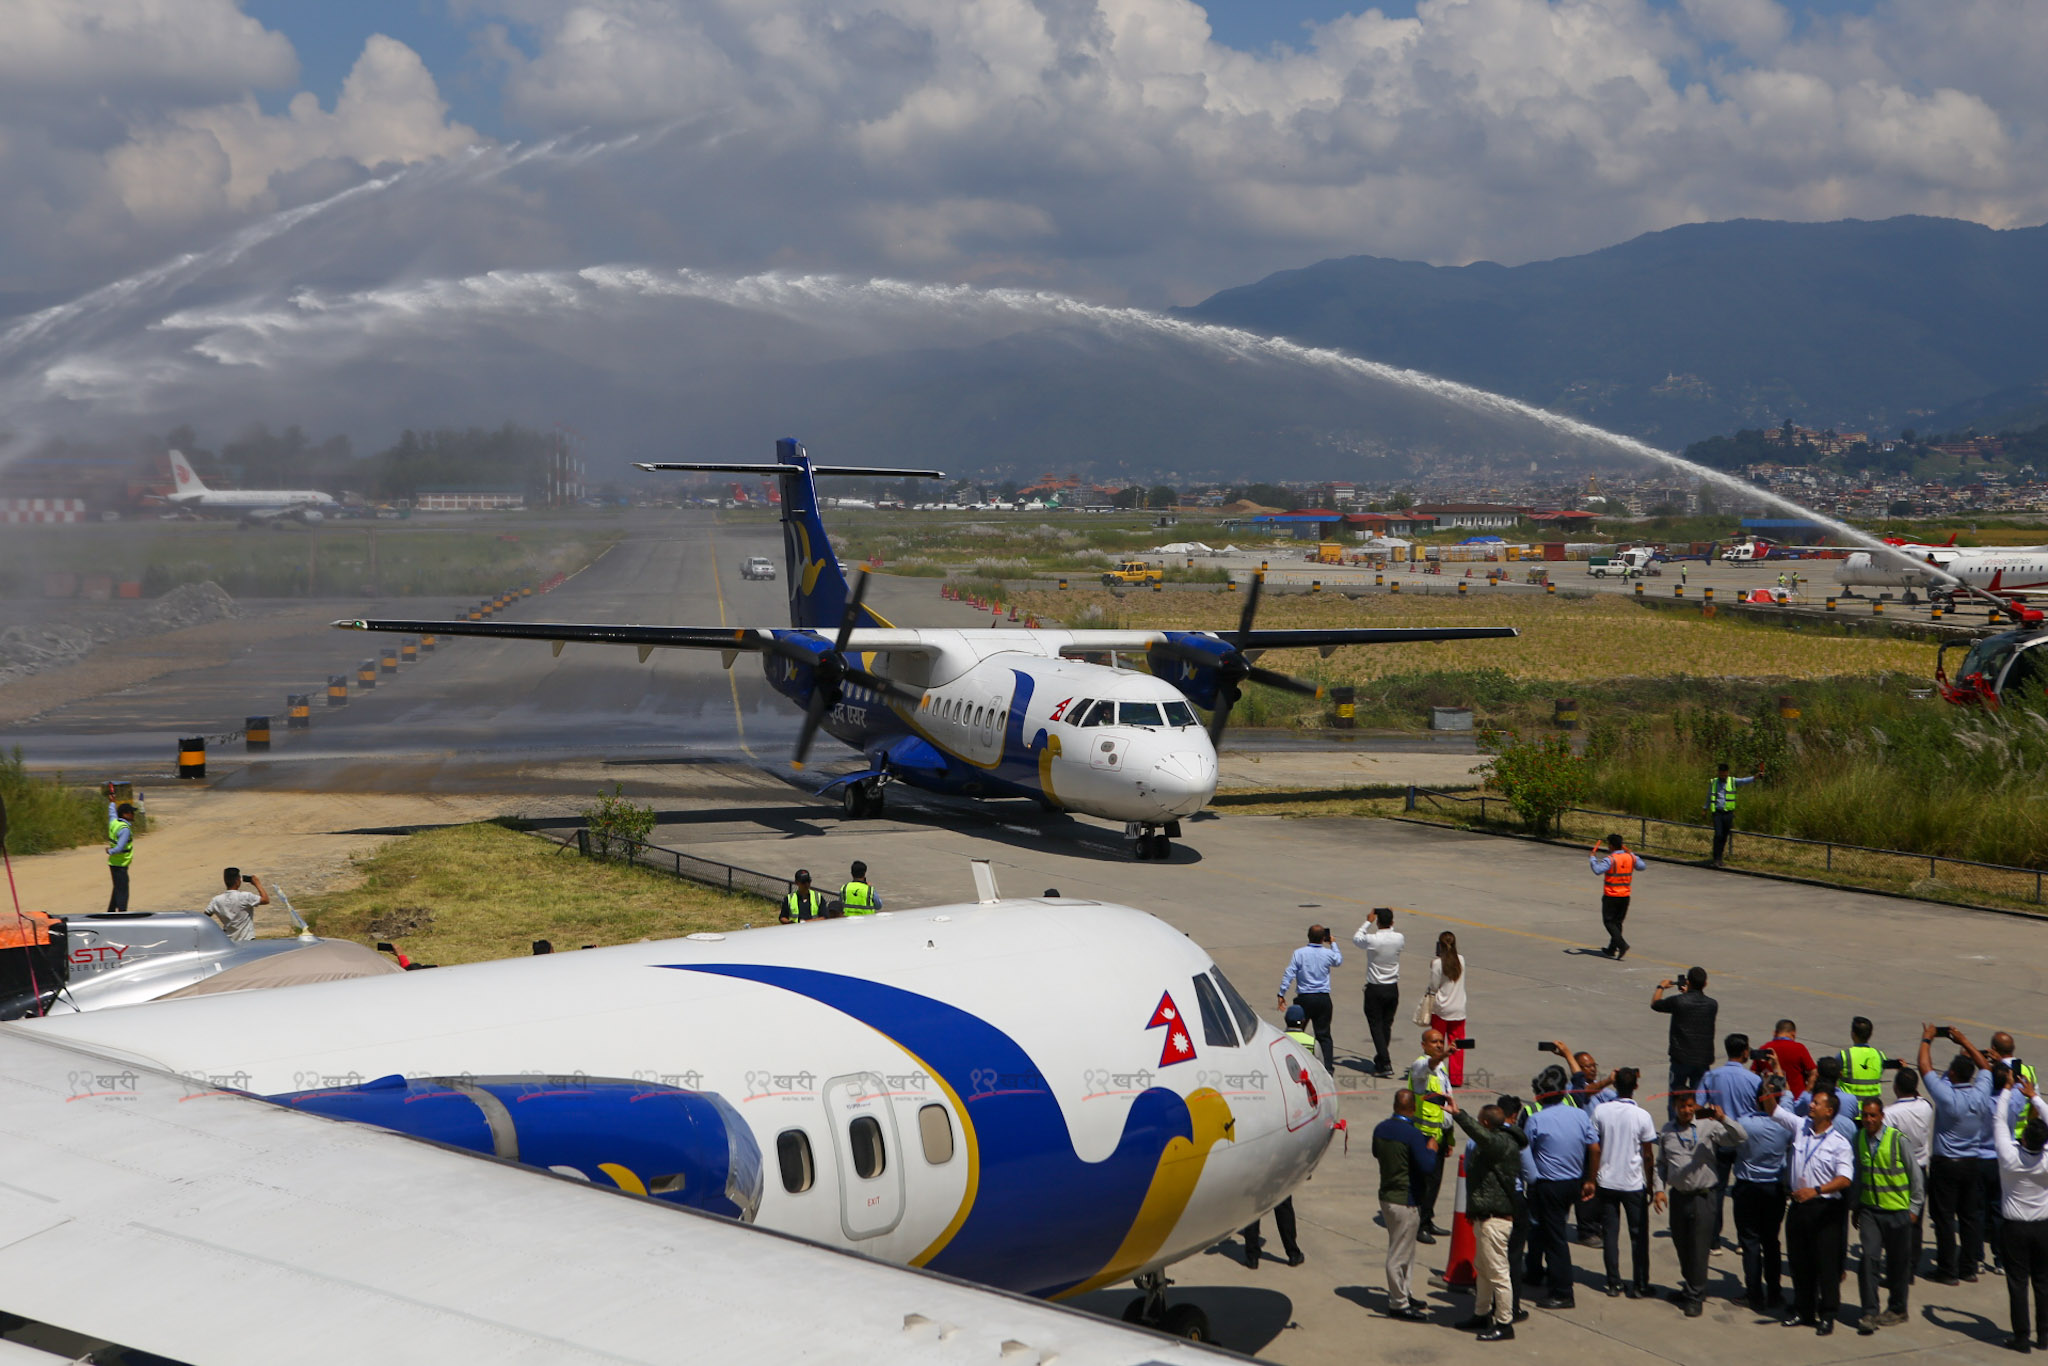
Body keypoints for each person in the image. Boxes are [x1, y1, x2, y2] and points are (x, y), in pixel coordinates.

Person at [1766, 1088, 1854, 1334]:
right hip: (1799, 1206)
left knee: (1826, 1264)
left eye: (1816, 1103)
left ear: (1830, 1111)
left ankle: (1827, 1314)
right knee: (1799, 1261)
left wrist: (1816, 1190)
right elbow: (1773, 1110)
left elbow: (1845, 1178)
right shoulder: (1801, 1126)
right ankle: (1803, 1309)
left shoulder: (1839, 1144)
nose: (1811, 1106)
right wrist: (1767, 1088)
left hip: (1825, 1210)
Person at [1654, 1092, 1747, 1317]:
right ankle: (1690, 1286)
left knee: (1698, 1247)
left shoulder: (1708, 1126)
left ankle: (1695, 1296)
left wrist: (1724, 1119)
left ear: (1694, 1105)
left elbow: (1740, 1138)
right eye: (1681, 1106)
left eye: (1689, 1106)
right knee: (1682, 1245)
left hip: (1703, 1197)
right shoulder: (1667, 1130)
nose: (1686, 1110)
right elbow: (1661, 1164)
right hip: (1679, 1197)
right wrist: (1658, 1190)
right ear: (1675, 1107)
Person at [1920, 1022, 1997, 1285]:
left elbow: (1924, 1068)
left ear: (1951, 1073)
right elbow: (1986, 1068)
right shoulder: (1980, 1093)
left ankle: (1947, 1269)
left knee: (1943, 1217)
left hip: (1946, 1164)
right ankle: (1968, 1267)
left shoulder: (1947, 1097)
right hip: (1971, 1163)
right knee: (1970, 1217)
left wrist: (1927, 1039)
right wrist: (1964, 1041)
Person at [1243, 1008, 1318, 1269]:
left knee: (1253, 1208)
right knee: (1283, 1206)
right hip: (1278, 1158)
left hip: (1256, 1158)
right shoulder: (1281, 1098)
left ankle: (1251, 1255)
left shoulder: (1251, 1098)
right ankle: (1292, 1252)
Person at [1450, 1097, 1529, 1341]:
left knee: (1498, 1272)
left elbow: (1481, 1136)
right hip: (1485, 1217)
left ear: (1485, 1123)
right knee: (1483, 1269)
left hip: (1495, 1220)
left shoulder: (1499, 1143)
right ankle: (1481, 1313)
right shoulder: (1501, 1140)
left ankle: (1504, 1322)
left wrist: (1458, 1114)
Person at [1524, 1066, 1600, 1309]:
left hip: (1549, 1186)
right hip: (1574, 1183)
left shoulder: (1536, 1119)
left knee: (1554, 1239)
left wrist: (1533, 1182)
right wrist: (1590, 1179)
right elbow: (1595, 1148)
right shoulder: (1579, 1115)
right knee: (1553, 1234)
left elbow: (1526, 1155)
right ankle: (1548, 1277)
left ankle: (1563, 1291)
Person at [1852, 1096, 1923, 1335]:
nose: (1869, 1120)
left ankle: (1898, 1308)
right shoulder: (1859, 1138)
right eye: (1865, 1115)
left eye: (1873, 1115)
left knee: (1898, 1264)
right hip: (1871, 1211)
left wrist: (1913, 1210)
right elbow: (1858, 1173)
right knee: (1869, 1259)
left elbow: (1916, 1177)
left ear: (1882, 1116)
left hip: (1898, 1213)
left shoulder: (1897, 1140)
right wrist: (1856, 1206)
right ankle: (1869, 1312)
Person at [1992, 1077, 2048, 1353]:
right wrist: (2035, 1097)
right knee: (2043, 1282)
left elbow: (2000, 1122)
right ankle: (2045, 1335)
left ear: (2023, 1138)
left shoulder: (2009, 1157)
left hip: (2014, 1227)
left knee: (2017, 1282)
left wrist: (2006, 1091)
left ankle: (2022, 1337)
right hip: (2043, 1227)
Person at [1373, 1089, 1438, 1322]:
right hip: (1405, 1199)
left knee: (1406, 1249)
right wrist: (1431, 1149)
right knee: (1399, 1254)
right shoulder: (1412, 1134)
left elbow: (1375, 1153)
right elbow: (1427, 1166)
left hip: (1387, 1196)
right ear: (1412, 1109)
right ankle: (1398, 1303)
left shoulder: (1380, 1129)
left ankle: (1405, 1292)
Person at [1591, 1067, 1656, 1298]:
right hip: (1632, 1184)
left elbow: (1595, 1148)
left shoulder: (1600, 1111)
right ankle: (1640, 1284)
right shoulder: (1642, 1116)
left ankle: (1613, 1283)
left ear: (1614, 1085)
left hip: (1607, 1182)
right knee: (1638, 1235)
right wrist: (1651, 1184)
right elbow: (1648, 1155)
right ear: (1635, 1087)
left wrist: (1593, 1177)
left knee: (1610, 1234)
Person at [1732, 1083, 1794, 1313]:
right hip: (1774, 1189)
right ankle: (1775, 1293)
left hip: (1747, 1188)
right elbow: (1787, 1099)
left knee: (1749, 1242)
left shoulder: (1744, 1122)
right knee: (1771, 1242)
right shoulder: (1785, 1124)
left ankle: (1754, 1293)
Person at [1700, 1033, 1763, 1249]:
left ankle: (1714, 1241)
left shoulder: (1712, 1076)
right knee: (1744, 1190)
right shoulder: (1755, 1080)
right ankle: (1743, 1240)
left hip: (1720, 1138)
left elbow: (1699, 1107)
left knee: (1717, 1189)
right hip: (1746, 1139)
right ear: (1745, 1052)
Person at [1886, 1067, 1936, 1280]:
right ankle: (1912, 1264)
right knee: (1915, 1220)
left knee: (1896, 1222)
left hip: (1899, 1171)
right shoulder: (1925, 1106)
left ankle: (1898, 1267)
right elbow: (1922, 1098)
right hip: (1921, 1167)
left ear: (1895, 1087)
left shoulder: (1890, 1113)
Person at [1651, 968, 1718, 1119]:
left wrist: (1660, 987)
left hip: (1680, 1058)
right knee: (1698, 1099)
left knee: (1676, 1098)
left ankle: (1674, 1128)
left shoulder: (1678, 1001)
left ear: (1688, 982)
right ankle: (1697, 1127)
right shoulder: (1712, 1004)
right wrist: (1687, 993)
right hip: (1702, 1060)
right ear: (1705, 983)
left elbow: (1655, 1004)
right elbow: (1693, 1006)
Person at [1408, 1028, 1454, 1242]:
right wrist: (1443, 1055)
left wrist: (1450, 1136)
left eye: (1440, 1042)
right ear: (1423, 1045)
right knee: (1423, 1181)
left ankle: (1427, 1219)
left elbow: (1447, 1100)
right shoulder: (1419, 1066)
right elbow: (1429, 1065)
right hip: (1425, 1134)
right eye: (1433, 1042)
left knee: (1435, 1181)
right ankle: (1418, 1225)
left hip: (1440, 1134)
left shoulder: (1442, 1068)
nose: (1438, 1045)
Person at [1277, 924, 1342, 1072]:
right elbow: (1338, 960)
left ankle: (1294, 1064)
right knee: (1324, 1035)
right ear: (1323, 938)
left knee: (1295, 1032)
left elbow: (1289, 974)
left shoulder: (1299, 953)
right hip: (1323, 999)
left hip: (1304, 999)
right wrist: (1333, 944)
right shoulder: (1328, 954)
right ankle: (1327, 1069)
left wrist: (1281, 993)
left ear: (1308, 936)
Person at [1353, 908, 1403, 1078]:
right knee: (1386, 1025)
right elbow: (1392, 933)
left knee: (1375, 1026)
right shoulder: (1399, 938)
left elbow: (1357, 939)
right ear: (1392, 923)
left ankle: (1385, 1061)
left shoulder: (1373, 939)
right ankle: (1381, 1060)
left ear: (1378, 922)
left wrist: (1368, 921)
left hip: (1375, 988)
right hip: (1392, 988)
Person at [1428, 931, 1470, 1086]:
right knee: (1457, 1044)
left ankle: (1437, 1071)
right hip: (1459, 1008)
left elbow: (1433, 986)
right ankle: (1456, 1078)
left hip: (1441, 1008)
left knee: (1437, 1044)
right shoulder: (1462, 960)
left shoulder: (1438, 963)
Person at [1588, 834, 1638, 959]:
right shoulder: (1630, 857)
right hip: (1625, 895)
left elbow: (1598, 870)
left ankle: (1622, 945)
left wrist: (1592, 859)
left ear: (1611, 845)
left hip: (1611, 895)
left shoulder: (1611, 859)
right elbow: (1642, 866)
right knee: (1618, 922)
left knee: (1609, 922)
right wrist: (1631, 854)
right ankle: (1612, 948)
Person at [1705, 762, 1760, 866]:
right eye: (1721, 774)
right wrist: (1705, 808)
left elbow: (1744, 781)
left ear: (1727, 773)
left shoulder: (1733, 781)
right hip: (1717, 812)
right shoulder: (1714, 782)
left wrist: (1755, 777)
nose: (1723, 776)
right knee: (1718, 834)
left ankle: (1720, 858)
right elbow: (1709, 795)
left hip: (1728, 813)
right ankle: (1716, 858)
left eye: (1725, 774)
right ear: (1718, 773)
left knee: (1724, 836)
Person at [1754, 1020, 1816, 1099]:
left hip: (1770, 1101)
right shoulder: (1799, 1048)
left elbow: (1754, 1073)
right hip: (1795, 1100)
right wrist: (1805, 1093)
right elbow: (1813, 1072)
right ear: (1793, 1034)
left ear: (1775, 1033)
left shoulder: (1764, 1048)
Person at [203, 867, 268, 942]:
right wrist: (257, 884)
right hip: (247, 940)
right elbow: (266, 899)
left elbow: (205, 917)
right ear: (238, 881)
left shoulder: (216, 900)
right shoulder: (245, 897)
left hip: (229, 942)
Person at [1839, 1016, 1889, 1112]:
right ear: (1870, 1034)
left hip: (1851, 1110)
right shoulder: (1879, 1056)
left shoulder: (1845, 1055)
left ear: (1853, 1034)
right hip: (1872, 1110)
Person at [105, 798, 137, 913]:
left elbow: (112, 813)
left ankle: (111, 911)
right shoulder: (124, 829)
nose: (133, 815)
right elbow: (119, 848)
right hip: (120, 863)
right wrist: (110, 851)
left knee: (118, 887)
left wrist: (112, 802)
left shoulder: (114, 822)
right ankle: (122, 912)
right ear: (125, 814)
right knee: (122, 889)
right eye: (131, 813)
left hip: (113, 863)